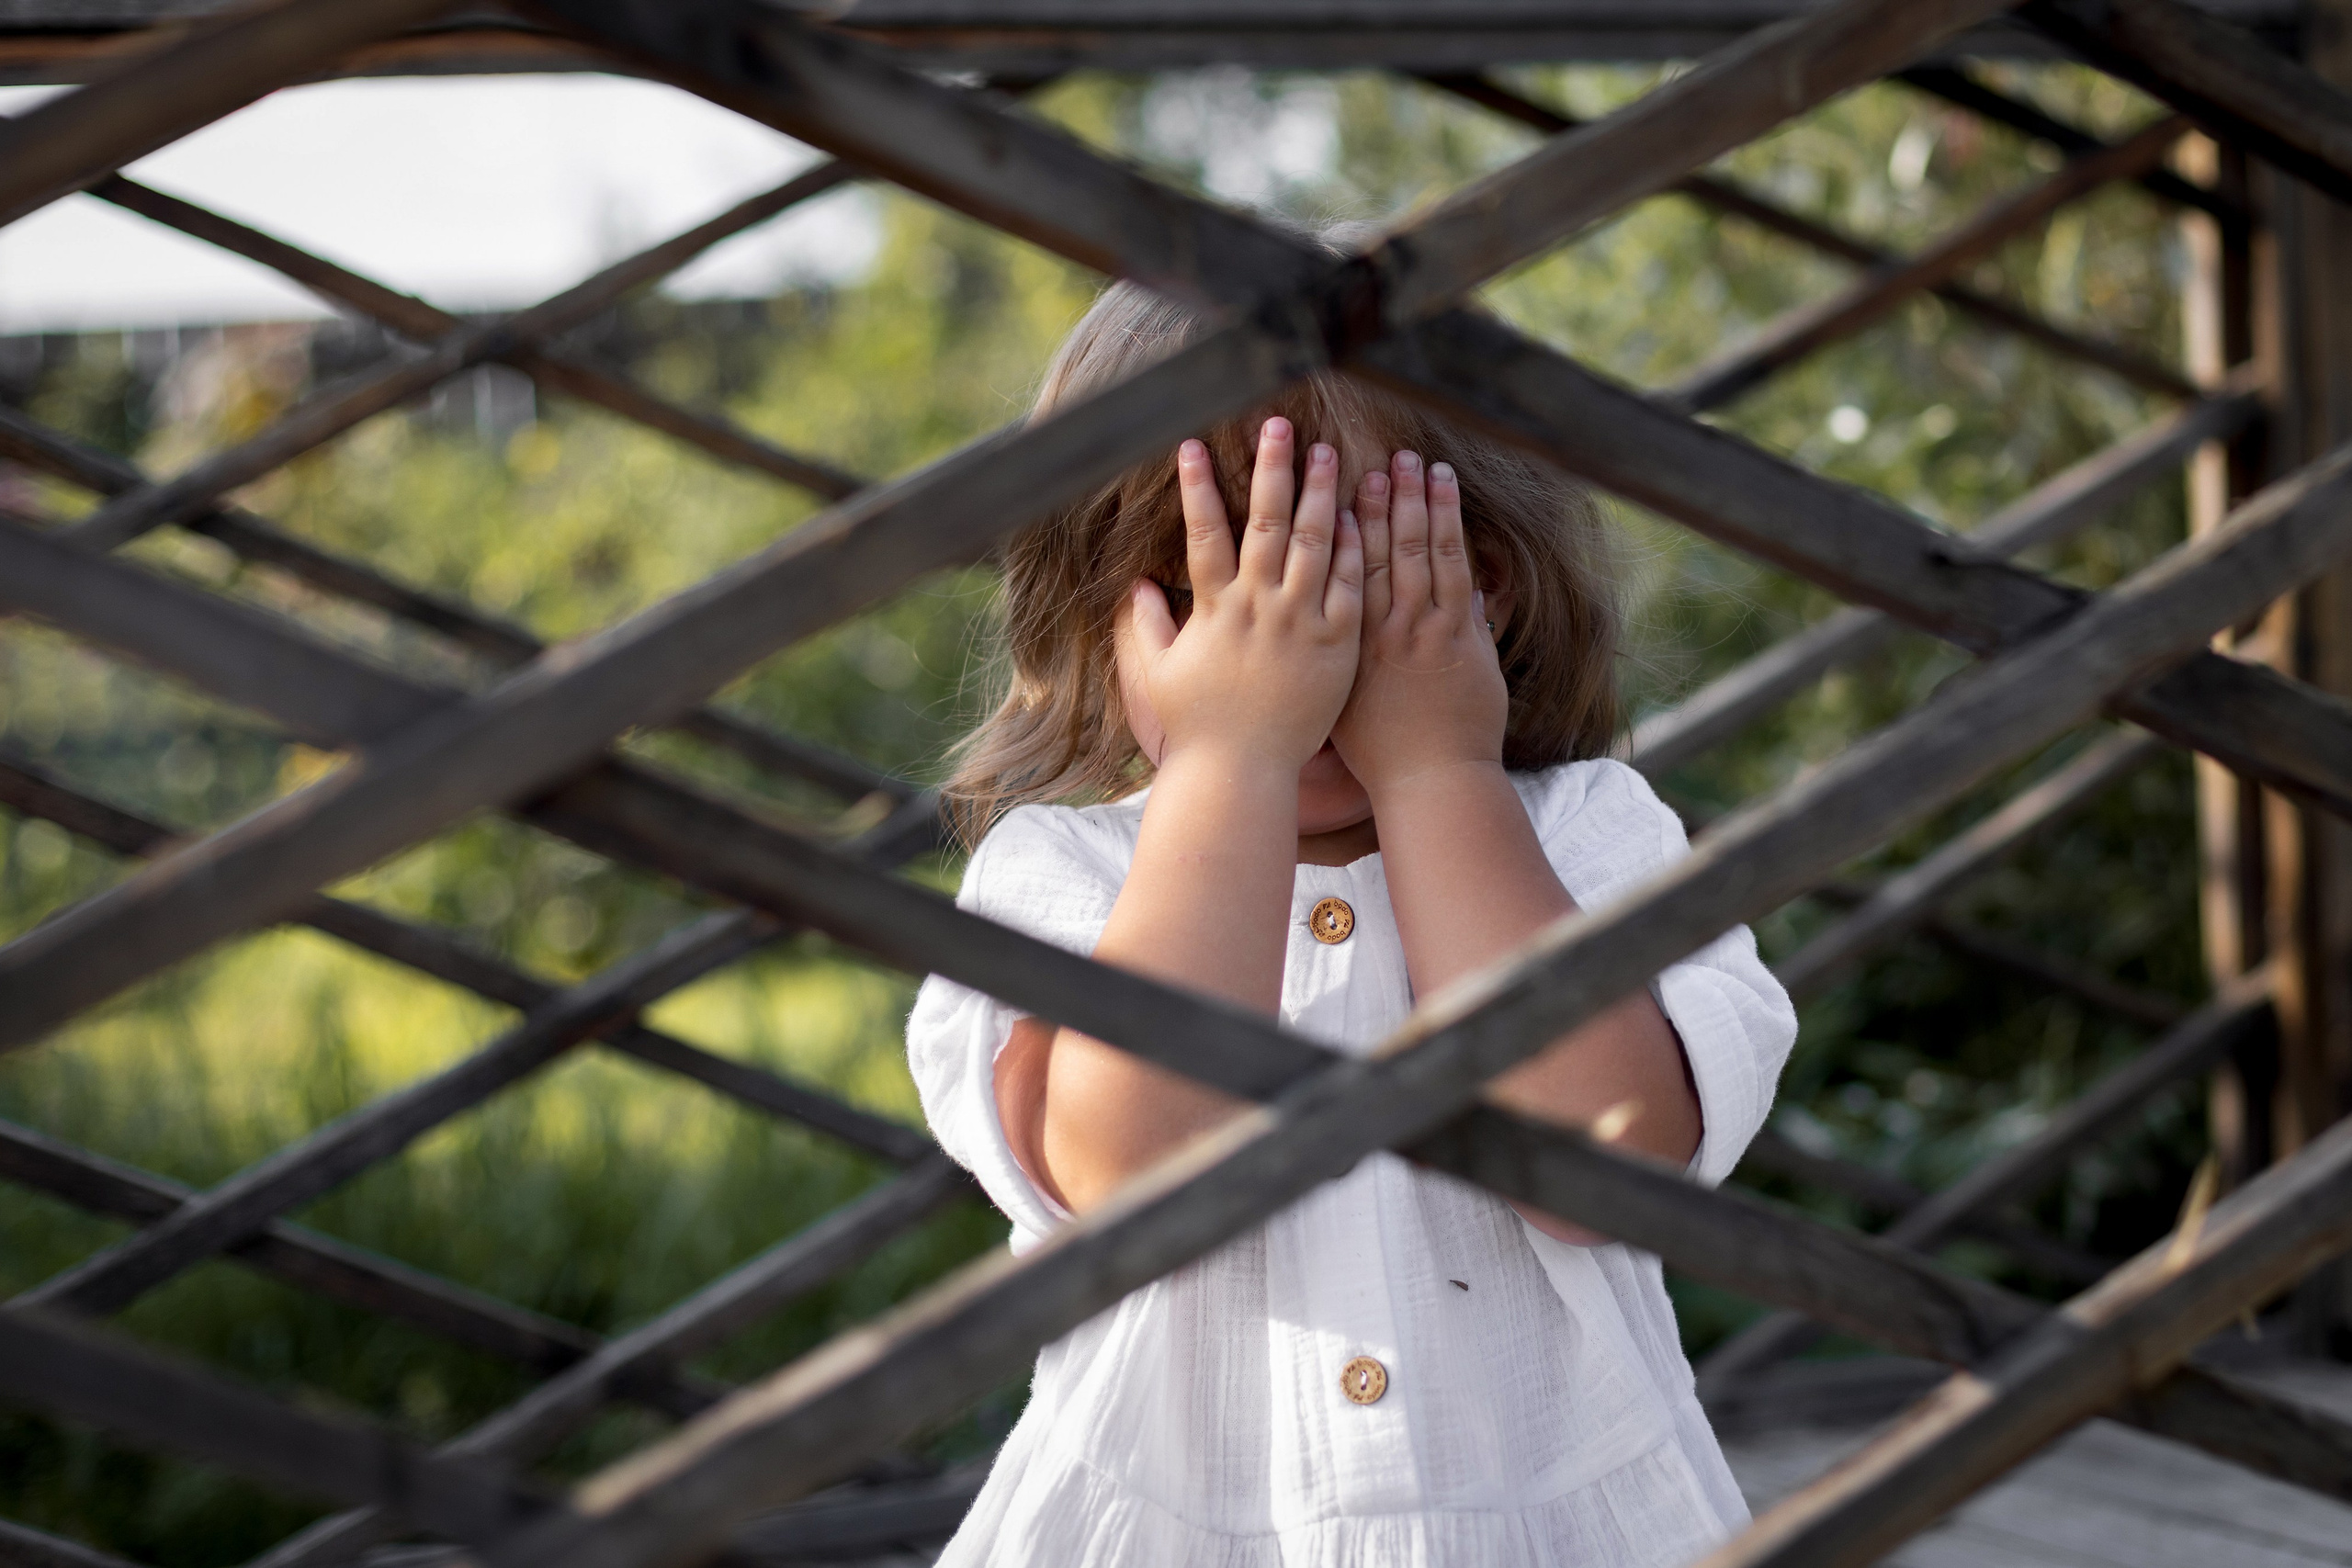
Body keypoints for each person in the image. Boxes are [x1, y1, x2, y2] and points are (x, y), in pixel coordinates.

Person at [906, 280, 1796, 1567]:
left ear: (1478, 582)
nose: (1291, 647)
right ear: (1109, 626)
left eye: (1340, 571)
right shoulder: (1065, 875)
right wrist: (1229, 762)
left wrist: (1441, 775)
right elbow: (1131, 1178)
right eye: (1218, 588)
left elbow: (1609, 1158)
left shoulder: (1593, 836)